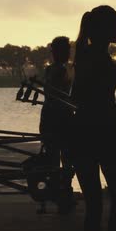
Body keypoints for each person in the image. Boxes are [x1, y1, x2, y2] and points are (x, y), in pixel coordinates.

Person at [70, 5, 116, 231]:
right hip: (106, 135)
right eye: (115, 24)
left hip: (82, 136)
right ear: (104, 30)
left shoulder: (83, 59)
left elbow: (81, 101)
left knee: (93, 203)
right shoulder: (103, 62)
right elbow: (102, 104)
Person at [39, 36, 76, 214]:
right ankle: (63, 193)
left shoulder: (51, 70)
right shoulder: (61, 71)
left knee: (55, 158)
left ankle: (58, 192)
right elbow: (60, 97)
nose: (68, 53)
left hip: (50, 118)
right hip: (61, 119)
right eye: (65, 50)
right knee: (66, 159)